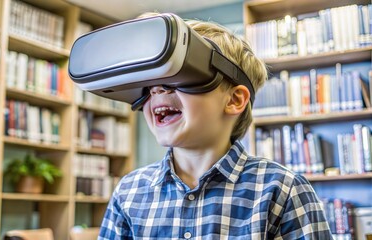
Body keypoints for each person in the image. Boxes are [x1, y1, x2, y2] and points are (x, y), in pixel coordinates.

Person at [99, 12, 333, 239]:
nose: (156, 90)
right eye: (149, 82)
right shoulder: (129, 192)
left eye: (177, 75)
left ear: (234, 100)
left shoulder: (282, 190)